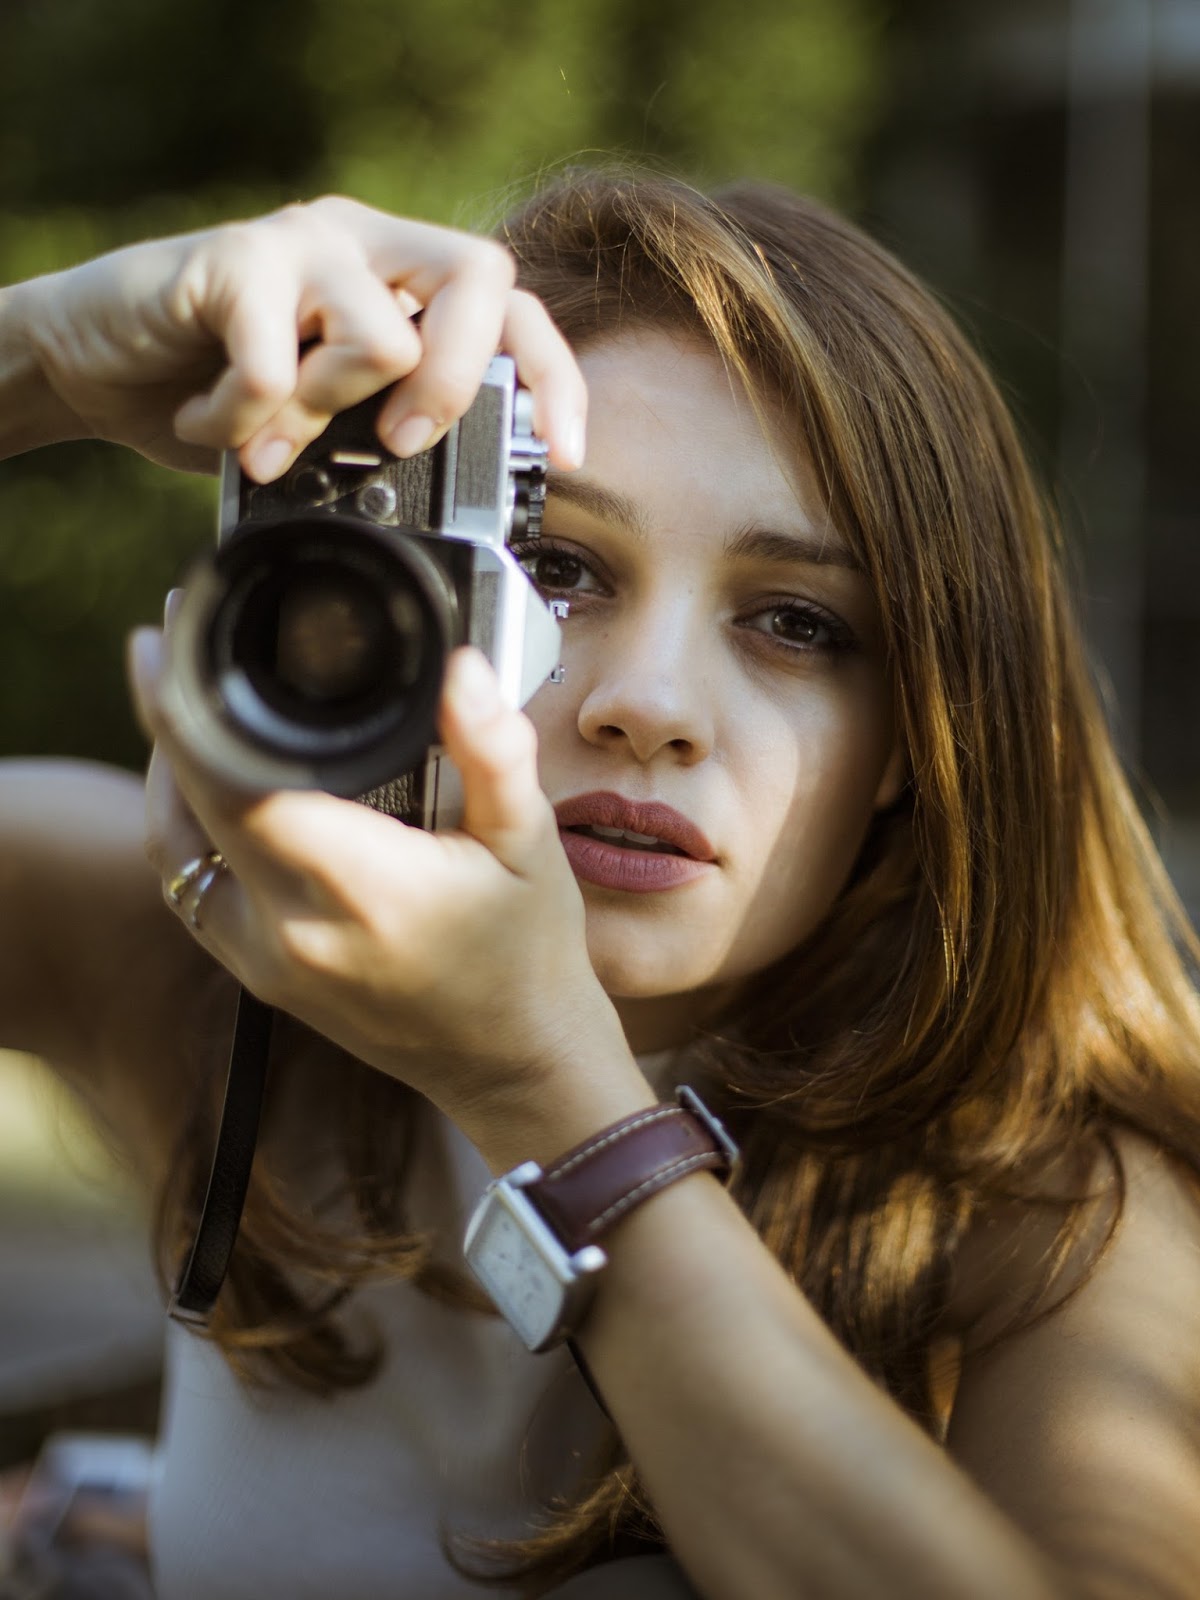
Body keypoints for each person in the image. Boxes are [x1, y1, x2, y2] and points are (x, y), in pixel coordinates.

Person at [1, 168, 1199, 1600]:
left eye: (799, 623)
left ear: (917, 738)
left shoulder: (1062, 1199)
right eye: (556, 565)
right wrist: (42, 360)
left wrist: (549, 1095)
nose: (650, 703)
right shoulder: (208, 958)